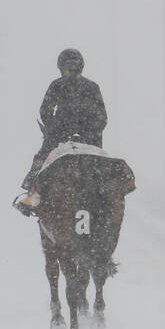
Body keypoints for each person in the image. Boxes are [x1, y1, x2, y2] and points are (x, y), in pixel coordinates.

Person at [16, 48, 107, 209]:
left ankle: (31, 198)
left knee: (41, 160)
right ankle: (105, 199)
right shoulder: (92, 87)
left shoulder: (57, 85)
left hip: (61, 138)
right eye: (68, 68)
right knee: (102, 170)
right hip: (89, 141)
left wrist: (57, 130)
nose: (70, 72)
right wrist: (87, 133)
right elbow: (102, 118)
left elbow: (45, 111)